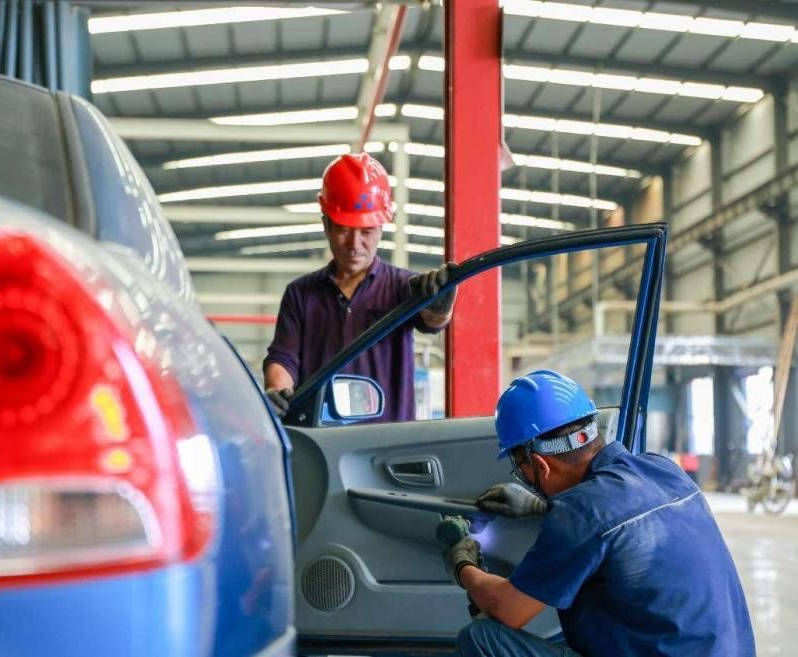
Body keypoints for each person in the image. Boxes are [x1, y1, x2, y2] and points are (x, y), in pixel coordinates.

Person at [444, 369, 755, 657]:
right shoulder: (663, 469)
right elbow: (614, 519)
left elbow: (507, 609)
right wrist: (541, 507)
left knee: (482, 638)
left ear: (541, 465)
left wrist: (462, 564)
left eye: (522, 469)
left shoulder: (578, 512)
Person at [263, 153, 456, 422]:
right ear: (326, 224)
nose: (354, 245)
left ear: (381, 228)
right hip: (320, 439)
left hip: (387, 440)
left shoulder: (404, 288)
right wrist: (277, 392)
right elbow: (283, 359)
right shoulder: (301, 294)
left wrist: (440, 305)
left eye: (366, 232)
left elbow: (432, 320)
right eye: (344, 230)